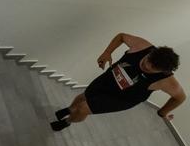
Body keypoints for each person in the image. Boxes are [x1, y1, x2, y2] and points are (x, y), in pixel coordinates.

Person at [50, 32, 187, 131]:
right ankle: (69, 109)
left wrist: (162, 112)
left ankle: (67, 121)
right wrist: (107, 52)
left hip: (121, 99)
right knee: (84, 96)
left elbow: (180, 97)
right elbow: (121, 36)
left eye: (153, 69)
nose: (146, 66)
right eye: (147, 61)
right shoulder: (142, 46)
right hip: (108, 80)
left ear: (162, 71)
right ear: (151, 53)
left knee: (83, 108)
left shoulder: (166, 81)